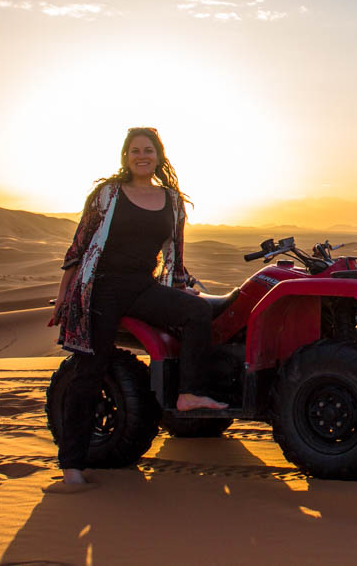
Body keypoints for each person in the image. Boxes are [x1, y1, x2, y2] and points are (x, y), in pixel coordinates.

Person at [48, 127, 226, 487]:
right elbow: (79, 246)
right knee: (90, 371)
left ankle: (189, 394)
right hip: (101, 289)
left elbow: (174, 253)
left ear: (159, 156)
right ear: (125, 157)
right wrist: (67, 294)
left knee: (197, 313)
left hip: (143, 287)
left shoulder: (171, 200)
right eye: (134, 151)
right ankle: (72, 466)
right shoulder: (108, 194)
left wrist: (179, 289)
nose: (141, 155)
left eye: (148, 149)